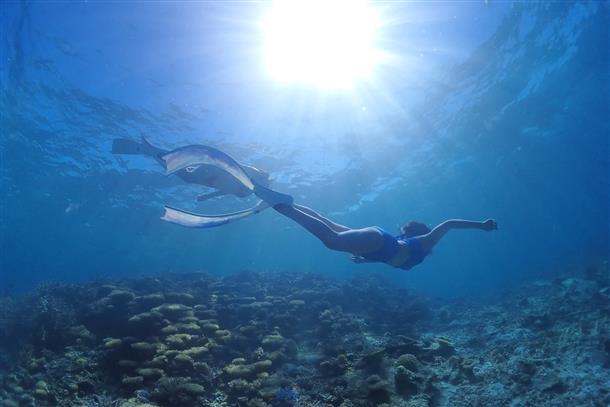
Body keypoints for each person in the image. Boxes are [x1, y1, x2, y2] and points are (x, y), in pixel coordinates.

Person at [255, 189, 497, 270]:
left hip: (378, 241)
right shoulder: (426, 243)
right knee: (330, 239)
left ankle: (286, 202)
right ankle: (279, 205)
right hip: (382, 244)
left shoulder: (412, 244)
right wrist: (482, 226)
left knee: (328, 223)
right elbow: (450, 224)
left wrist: (365, 261)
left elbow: (387, 260)